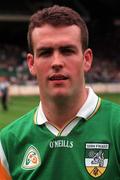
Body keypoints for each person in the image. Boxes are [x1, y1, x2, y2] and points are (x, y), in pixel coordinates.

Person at [0, 5, 120, 180]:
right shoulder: (7, 144)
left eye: (67, 51)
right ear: (31, 63)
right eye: (46, 52)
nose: (57, 62)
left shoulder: (116, 127)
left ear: (86, 59)